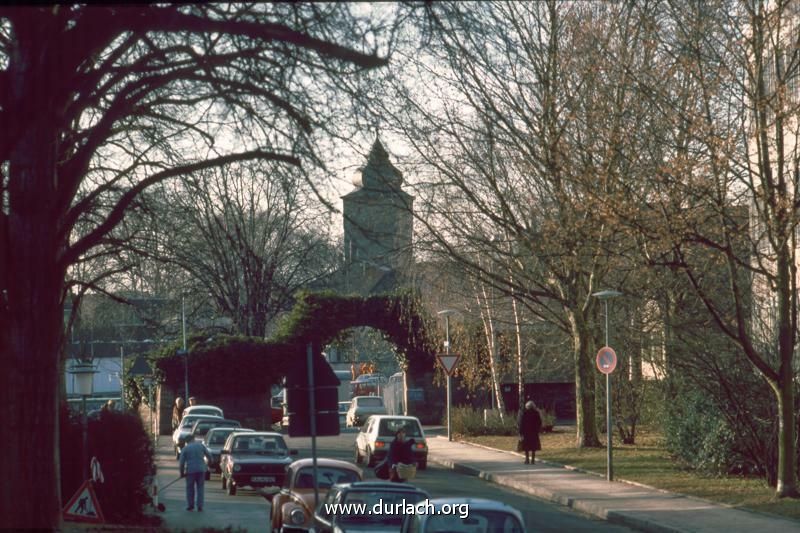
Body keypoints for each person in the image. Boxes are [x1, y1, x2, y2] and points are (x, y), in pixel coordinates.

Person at [179, 434, 212, 511]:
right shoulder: (201, 446)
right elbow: (209, 457)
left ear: (186, 441)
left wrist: (181, 473)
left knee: (190, 488)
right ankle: (200, 506)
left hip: (190, 471)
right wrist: (207, 466)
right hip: (201, 470)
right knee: (200, 488)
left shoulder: (185, 449)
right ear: (193, 439)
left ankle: (190, 505)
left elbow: (182, 463)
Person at [518, 400, 542, 465]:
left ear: (527, 406)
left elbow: (521, 423)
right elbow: (539, 422)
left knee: (526, 447)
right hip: (534, 432)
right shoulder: (536, 413)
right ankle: (533, 460)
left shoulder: (524, 413)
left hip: (526, 432)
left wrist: (520, 432)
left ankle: (527, 459)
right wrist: (538, 430)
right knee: (533, 447)